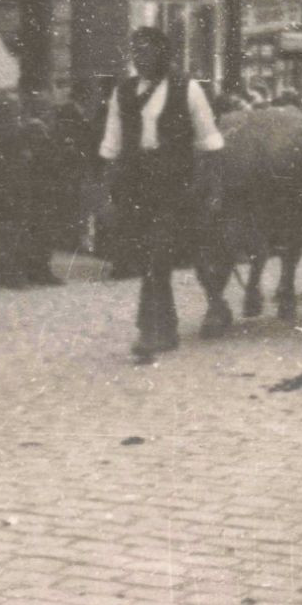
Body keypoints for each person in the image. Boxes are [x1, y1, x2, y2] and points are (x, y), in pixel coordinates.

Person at [98, 27, 225, 364]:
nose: (139, 58)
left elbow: (210, 143)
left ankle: (152, 330)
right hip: (135, 187)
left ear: (162, 54)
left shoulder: (188, 89)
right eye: (135, 52)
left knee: (157, 256)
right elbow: (112, 145)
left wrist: (208, 189)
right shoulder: (123, 92)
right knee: (148, 258)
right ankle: (164, 327)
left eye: (146, 51)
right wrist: (107, 194)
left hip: (176, 187)